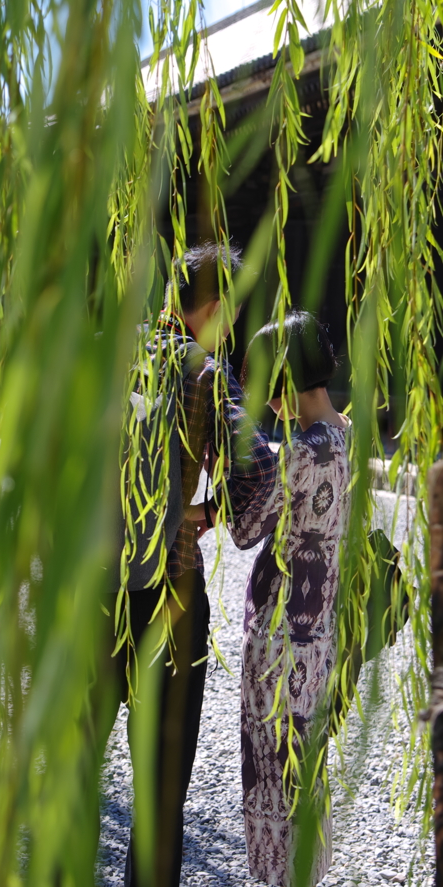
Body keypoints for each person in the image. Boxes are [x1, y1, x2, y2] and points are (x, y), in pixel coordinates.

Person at [90, 242, 277, 887]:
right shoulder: (204, 373)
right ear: (218, 308)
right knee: (161, 787)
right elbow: (263, 477)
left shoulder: (112, 354)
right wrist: (202, 516)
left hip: (94, 588)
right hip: (170, 594)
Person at [224, 310, 350, 887]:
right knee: (307, 778)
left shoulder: (300, 449)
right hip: (318, 636)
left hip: (276, 640)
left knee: (272, 784)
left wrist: (240, 448)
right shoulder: (346, 436)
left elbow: (247, 527)